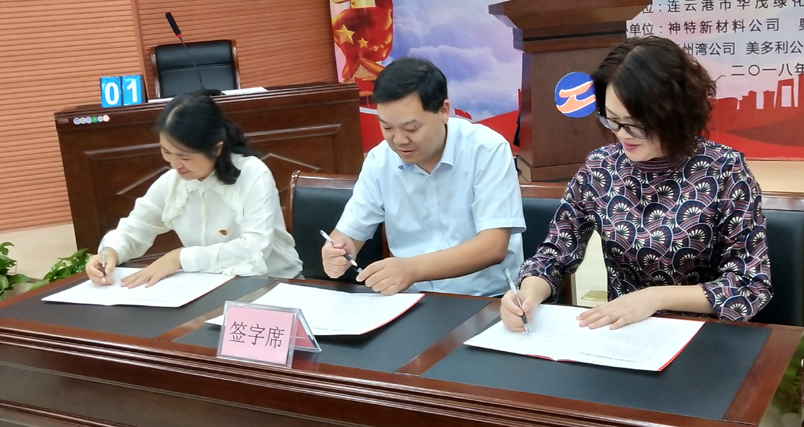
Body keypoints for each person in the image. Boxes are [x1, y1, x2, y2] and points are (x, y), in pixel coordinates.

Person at [501, 36, 772, 331]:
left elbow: (749, 285)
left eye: (635, 124)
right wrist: (528, 292)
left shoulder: (724, 170)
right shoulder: (601, 167)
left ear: (674, 113)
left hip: (705, 334)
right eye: (612, 120)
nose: (622, 134)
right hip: (624, 333)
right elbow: (556, 251)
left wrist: (654, 298)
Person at [321, 57, 525, 296]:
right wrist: (338, 251)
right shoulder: (380, 160)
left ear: (443, 111)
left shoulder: (486, 149)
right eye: (387, 127)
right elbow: (349, 233)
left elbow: (493, 246)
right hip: (410, 298)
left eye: (412, 128)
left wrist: (412, 269)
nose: (399, 140)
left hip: (486, 298)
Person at [85, 91, 303, 288]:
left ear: (217, 148)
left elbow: (254, 250)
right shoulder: (172, 182)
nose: (174, 164)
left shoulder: (253, 174)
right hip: (210, 287)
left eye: (185, 156)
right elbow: (134, 229)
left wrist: (179, 258)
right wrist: (110, 252)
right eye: (166, 152)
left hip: (274, 284)